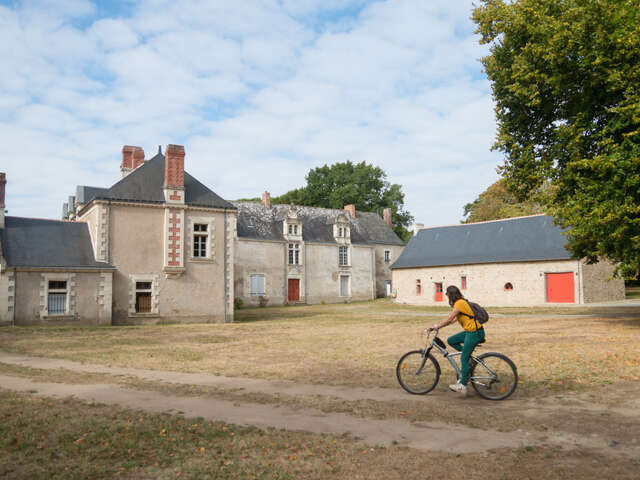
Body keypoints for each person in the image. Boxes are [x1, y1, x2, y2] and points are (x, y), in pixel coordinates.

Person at [428, 285, 485, 396]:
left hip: (474, 332)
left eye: (447, 294)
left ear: (451, 295)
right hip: (472, 331)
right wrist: (440, 325)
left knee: (463, 357)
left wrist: (437, 326)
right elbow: (453, 320)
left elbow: (449, 319)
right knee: (451, 340)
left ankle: (462, 385)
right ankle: (469, 358)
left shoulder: (459, 303)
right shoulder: (460, 302)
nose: (446, 296)